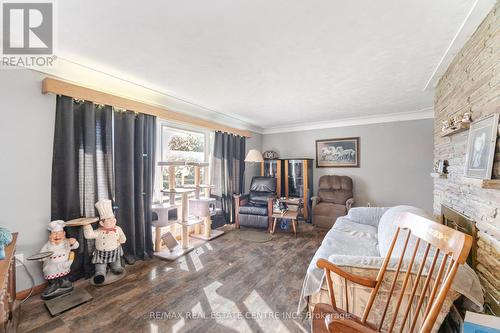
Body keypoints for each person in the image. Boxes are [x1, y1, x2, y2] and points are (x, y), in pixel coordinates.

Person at [83, 200, 126, 284]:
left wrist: (122, 240)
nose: (113, 220)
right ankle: (100, 274)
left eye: (113, 218)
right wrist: (87, 225)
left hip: (115, 250)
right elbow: (89, 235)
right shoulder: (99, 231)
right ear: (102, 223)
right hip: (101, 253)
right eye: (109, 219)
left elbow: (122, 236)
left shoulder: (118, 228)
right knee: (100, 265)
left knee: (116, 261)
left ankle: (116, 268)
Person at [40, 220, 79, 300]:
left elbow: (76, 246)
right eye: (54, 233)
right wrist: (42, 257)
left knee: (63, 277)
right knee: (52, 279)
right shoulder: (48, 245)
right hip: (52, 267)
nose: (57, 236)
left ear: (64, 234)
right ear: (50, 235)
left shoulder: (66, 242)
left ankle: (64, 283)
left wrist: (74, 242)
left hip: (64, 265)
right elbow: (41, 255)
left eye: (59, 233)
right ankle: (53, 286)